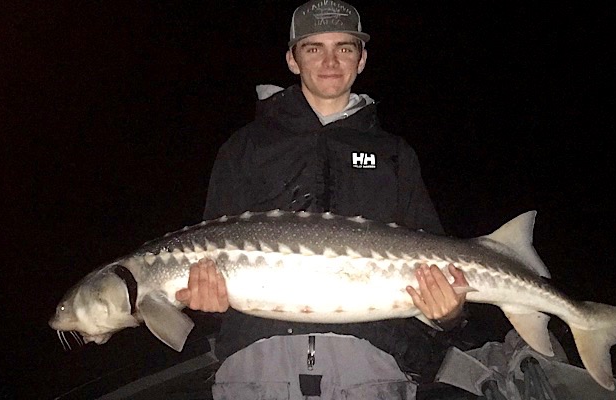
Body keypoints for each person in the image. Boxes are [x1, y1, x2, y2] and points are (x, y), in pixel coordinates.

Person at [175, 1, 468, 398]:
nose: (330, 61)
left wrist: (449, 314)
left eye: (344, 48)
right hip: (256, 366)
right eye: (314, 48)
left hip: (372, 368)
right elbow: (208, 262)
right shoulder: (244, 147)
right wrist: (205, 304)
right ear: (292, 59)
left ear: (362, 59)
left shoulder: (395, 153)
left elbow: (438, 268)